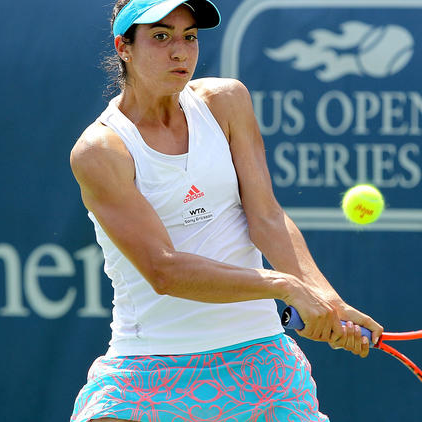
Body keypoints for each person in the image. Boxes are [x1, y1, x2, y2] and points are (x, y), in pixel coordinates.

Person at [69, 0, 383, 421]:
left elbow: (266, 217)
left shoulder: (225, 102)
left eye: (189, 37)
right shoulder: (101, 150)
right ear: (123, 47)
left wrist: (327, 300)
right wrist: (285, 285)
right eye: (161, 37)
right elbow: (164, 270)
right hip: (147, 369)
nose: (180, 52)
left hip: (262, 366)